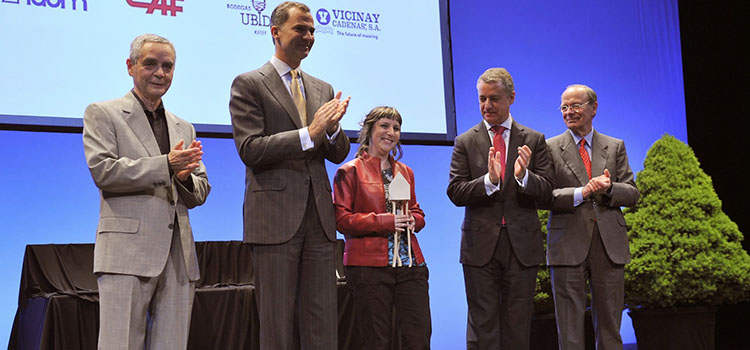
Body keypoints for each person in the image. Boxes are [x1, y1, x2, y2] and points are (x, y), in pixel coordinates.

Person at [228, 1, 350, 348]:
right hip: (274, 220)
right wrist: (310, 132)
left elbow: (339, 152)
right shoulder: (249, 83)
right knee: (277, 324)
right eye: (300, 29)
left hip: (320, 220)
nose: (308, 36)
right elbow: (250, 149)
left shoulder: (322, 88)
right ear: (275, 32)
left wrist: (330, 130)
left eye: (312, 30)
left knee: (323, 321)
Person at [82, 33, 210, 349]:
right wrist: (165, 165)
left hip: (178, 256)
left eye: (167, 66)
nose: (160, 73)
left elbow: (201, 189)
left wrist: (181, 177)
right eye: (150, 64)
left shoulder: (184, 126)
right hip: (126, 254)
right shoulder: (103, 112)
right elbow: (104, 172)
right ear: (130, 66)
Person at [446, 68, 554, 349]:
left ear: (512, 98)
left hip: (522, 246)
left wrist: (523, 177)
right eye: (482, 99)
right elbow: (456, 191)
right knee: (483, 326)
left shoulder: (534, 139)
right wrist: (489, 181)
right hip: (479, 246)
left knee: (518, 325)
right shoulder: (465, 142)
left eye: (494, 99)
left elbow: (546, 193)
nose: (486, 106)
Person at [545, 84, 639, 350]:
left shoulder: (614, 146)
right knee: (569, 325)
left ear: (593, 108)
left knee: (610, 324)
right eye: (564, 107)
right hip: (566, 244)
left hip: (608, 243)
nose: (569, 112)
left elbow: (632, 193)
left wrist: (609, 188)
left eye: (575, 105)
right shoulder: (549, 148)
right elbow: (544, 196)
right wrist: (581, 191)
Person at [333, 106, 431, 350]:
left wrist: (414, 221)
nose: (391, 132)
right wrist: (386, 221)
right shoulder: (349, 171)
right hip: (368, 268)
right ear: (369, 131)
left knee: (419, 338)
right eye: (384, 126)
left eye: (396, 128)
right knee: (377, 341)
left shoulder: (405, 172)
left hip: (411, 265)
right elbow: (343, 220)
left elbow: (417, 211)